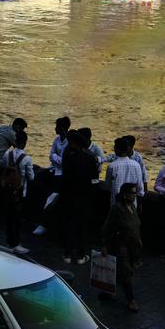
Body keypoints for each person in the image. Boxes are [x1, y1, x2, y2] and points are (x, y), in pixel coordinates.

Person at [101, 181, 144, 311]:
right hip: (121, 246)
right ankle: (131, 300)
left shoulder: (132, 207)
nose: (134, 195)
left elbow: (135, 226)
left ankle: (107, 291)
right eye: (132, 193)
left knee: (121, 271)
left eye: (135, 193)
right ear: (125, 194)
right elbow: (107, 227)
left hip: (132, 246)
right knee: (125, 273)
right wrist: (104, 244)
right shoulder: (117, 209)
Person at [61, 129, 98, 264]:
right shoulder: (90, 157)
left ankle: (68, 254)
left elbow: (65, 176)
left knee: (69, 225)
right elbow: (94, 179)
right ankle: (81, 255)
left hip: (69, 196)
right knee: (82, 226)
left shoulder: (68, 156)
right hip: (84, 197)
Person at [1, 129, 33, 254]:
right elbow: (31, 177)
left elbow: (4, 169)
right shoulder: (26, 159)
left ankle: (9, 242)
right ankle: (17, 244)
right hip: (20, 193)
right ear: (24, 142)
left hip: (7, 191)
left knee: (9, 218)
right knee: (17, 219)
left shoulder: (6, 155)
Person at [105, 137, 145, 205]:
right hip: (131, 204)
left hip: (116, 203)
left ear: (117, 149)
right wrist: (140, 203)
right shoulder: (136, 165)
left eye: (114, 147)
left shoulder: (112, 166)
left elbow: (108, 187)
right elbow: (140, 188)